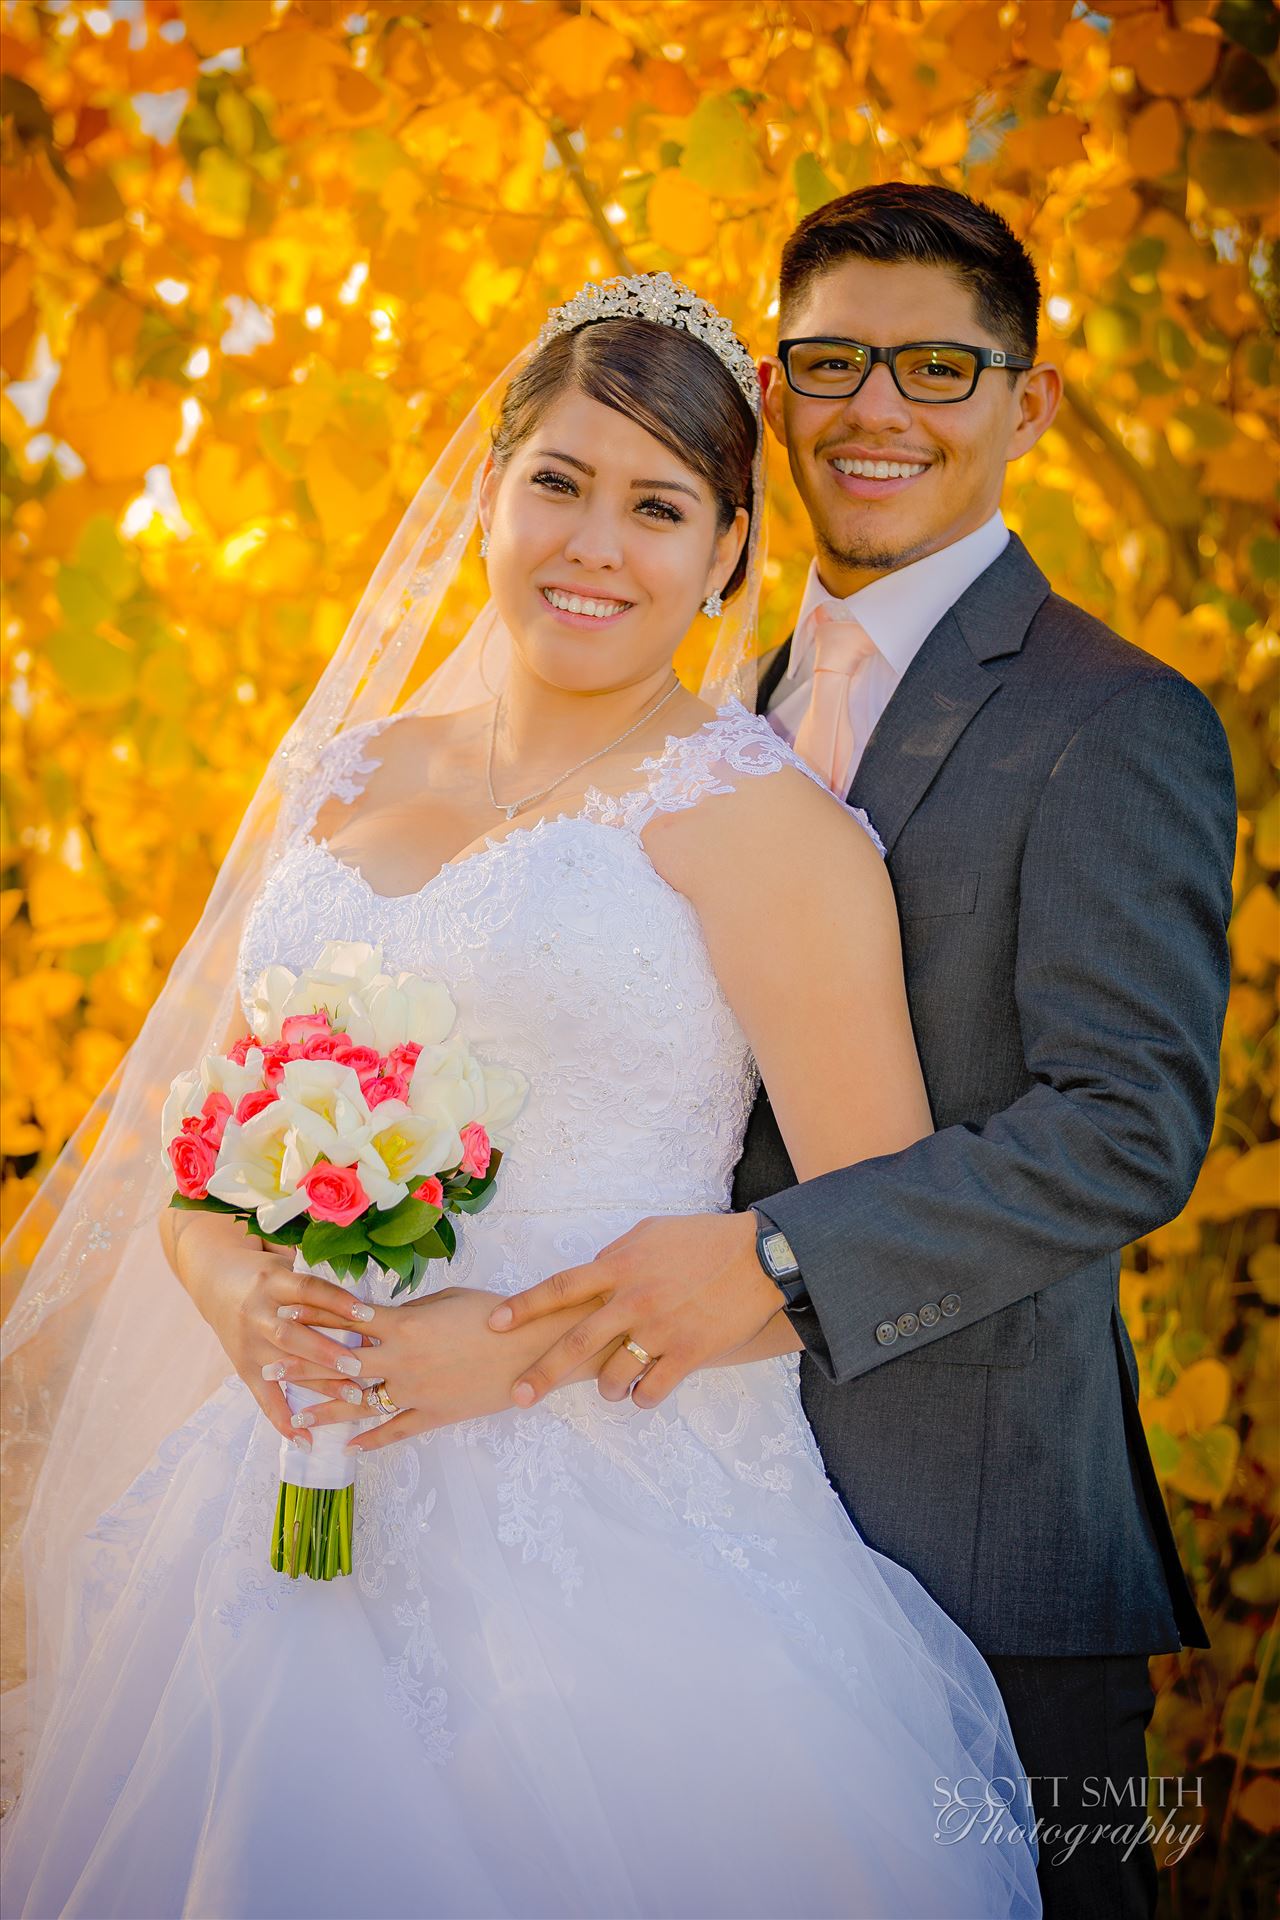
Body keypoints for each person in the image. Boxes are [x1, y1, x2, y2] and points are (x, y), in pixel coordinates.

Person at [0, 275, 1040, 1918]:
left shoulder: (768, 831)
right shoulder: (349, 773)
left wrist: (508, 1354)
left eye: (659, 507)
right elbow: (209, 1135)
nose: (594, 546)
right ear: (489, 491)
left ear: (727, 553)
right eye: (559, 481)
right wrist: (236, 1293)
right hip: (288, 1481)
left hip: (613, 1512)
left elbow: (875, 1236)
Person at [488, 189, 1237, 1920]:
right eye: (831, 363)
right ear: (774, 387)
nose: (875, 409)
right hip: (682, 1510)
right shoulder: (711, 701)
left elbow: (1127, 1126)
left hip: (981, 1536)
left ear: (1028, 404)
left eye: (937, 368)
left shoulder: (1113, 718)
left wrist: (774, 1256)